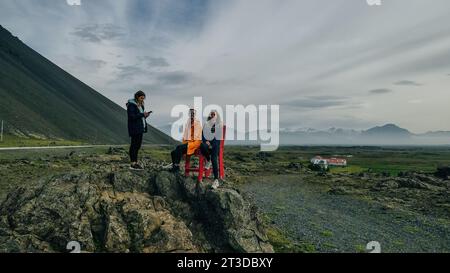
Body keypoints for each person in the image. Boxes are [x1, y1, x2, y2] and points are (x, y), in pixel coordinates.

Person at [127, 90, 151, 170]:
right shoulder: (131, 105)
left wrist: (145, 116)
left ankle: (135, 162)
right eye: (141, 98)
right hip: (135, 128)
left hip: (140, 128)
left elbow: (139, 116)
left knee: (137, 145)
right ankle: (133, 163)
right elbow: (132, 116)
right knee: (134, 145)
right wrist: (142, 114)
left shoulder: (140, 105)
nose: (142, 100)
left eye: (143, 98)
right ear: (137, 97)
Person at [200, 110, 223, 189]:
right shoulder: (206, 124)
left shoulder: (219, 125)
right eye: (211, 114)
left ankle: (216, 180)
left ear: (216, 116)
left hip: (215, 145)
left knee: (214, 157)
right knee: (202, 146)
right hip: (208, 145)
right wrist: (206, 141)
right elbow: (202, 135)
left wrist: (212, 144)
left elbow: (218, 137)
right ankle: (208, 159)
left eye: (214, 114)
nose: (212, 115)